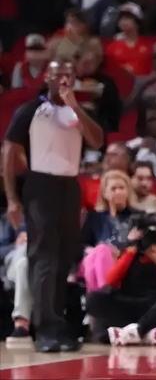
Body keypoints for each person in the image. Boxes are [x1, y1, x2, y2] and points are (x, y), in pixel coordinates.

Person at [3, 59, 103, 352]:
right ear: (47, 77)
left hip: (69, 185)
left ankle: (58, 325)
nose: (64, 80)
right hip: (41, 185)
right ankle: (44, 328)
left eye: (69, 75)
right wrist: (12, 198)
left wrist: (75, 106)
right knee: (44, 256)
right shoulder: (31, 110)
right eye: (58, 74)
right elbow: (9, 150)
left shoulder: (77, 111)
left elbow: (97, 141)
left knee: (64, 256)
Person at [86, 213, 156, 346]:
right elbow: (110, 281)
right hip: (129, 305)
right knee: (94, 298)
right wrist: (130, 249)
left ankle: (137, 330)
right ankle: (146, 334)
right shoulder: (129, 253)